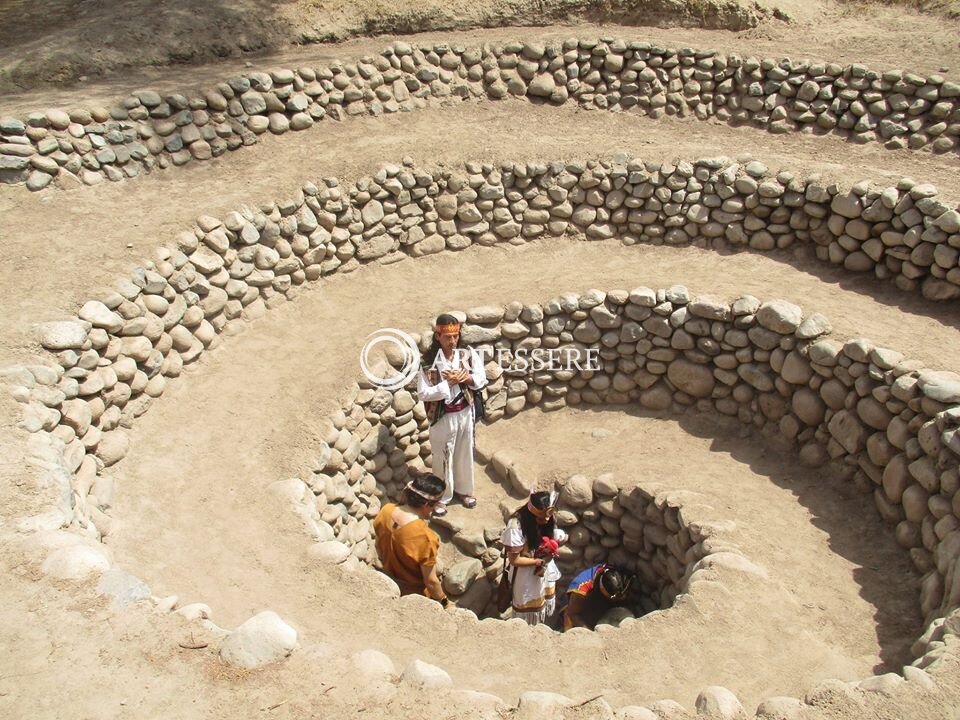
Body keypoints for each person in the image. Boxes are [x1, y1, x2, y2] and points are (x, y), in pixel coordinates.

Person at [417, 314, 487, 517]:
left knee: (464, 452)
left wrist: (466, 378)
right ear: (438, 336)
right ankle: (441, 497)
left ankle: (464, 491)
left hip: (465, 412)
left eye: (455, 336)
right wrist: (448, 384)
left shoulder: (468, 355)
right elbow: (423, 393)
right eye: (448, 337)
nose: (453, 341)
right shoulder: (428, 363)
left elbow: (481, 379)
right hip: (443, 418)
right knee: (442, 458)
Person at [373, 473, 450, 607]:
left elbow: (378, 547)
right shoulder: (425, 537)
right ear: (427, 505)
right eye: (437, 503)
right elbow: (431, 582)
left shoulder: (386, 510)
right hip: (412, 593)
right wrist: (444, 601)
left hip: (387, 578)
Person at [500, 490, 568, 625]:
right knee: (527, 610)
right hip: (525, 576)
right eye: (540, 519)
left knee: (542, 603)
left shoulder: (547, 520)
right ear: (531, 515)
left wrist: (556, 543)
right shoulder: (516, 526)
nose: (544, 522)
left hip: (544, 569)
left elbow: (552, 535)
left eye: (547, 518)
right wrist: (537, 561)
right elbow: (515, 560)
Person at [561, 563, 632, 631]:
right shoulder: (580, 589)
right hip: (573, 607)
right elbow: (573, 615)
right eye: (611, 597)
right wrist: (590, 633)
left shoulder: (613, 572)